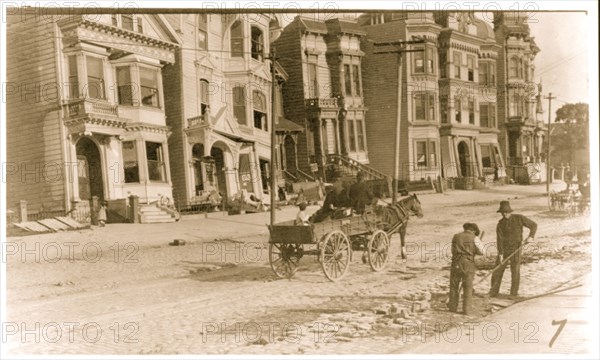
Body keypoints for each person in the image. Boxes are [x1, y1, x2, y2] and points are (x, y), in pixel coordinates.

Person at [489, 201, 537, 298]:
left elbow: (534, 225)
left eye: (506, 212)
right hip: (504, 249)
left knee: (515, 271)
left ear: (510, 211)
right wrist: (501, 253)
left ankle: (513, 293)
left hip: (516, 248)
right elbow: (500, 239)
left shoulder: (519, 218)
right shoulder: (500, 223)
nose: (504, 214)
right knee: (497, 269)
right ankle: (494, 291)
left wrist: (531, 236)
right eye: (502, 212)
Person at [448, 223, 484, 315]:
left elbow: (453, 250)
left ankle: (452, 308)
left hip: (456, 263)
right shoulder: (475, 238)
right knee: (468, 286)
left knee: (454, 286)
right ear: (474, 231)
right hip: (468, 263)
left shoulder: (456, 236)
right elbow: (482, 252)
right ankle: (467, 310)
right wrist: (474, 251)